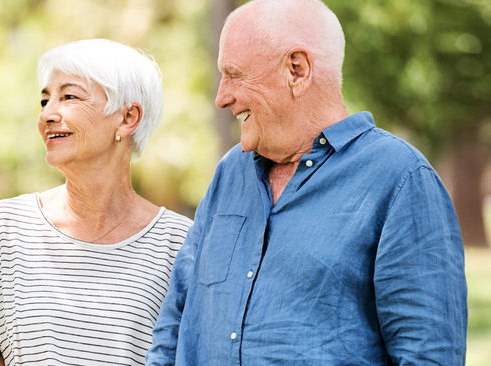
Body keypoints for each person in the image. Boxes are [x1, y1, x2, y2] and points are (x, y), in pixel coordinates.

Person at [146, 0, 468, 364]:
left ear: (296, 70)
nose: (222, 97)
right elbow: (176, 319)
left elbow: (428, 355)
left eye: (234, 74)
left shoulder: (401, 179)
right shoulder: (229, 172)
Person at [0, 39, 193, 366]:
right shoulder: (4, 228)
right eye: (45, 100)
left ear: (127, 117)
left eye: (69, 96)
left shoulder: (180, 244)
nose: (47, 114)